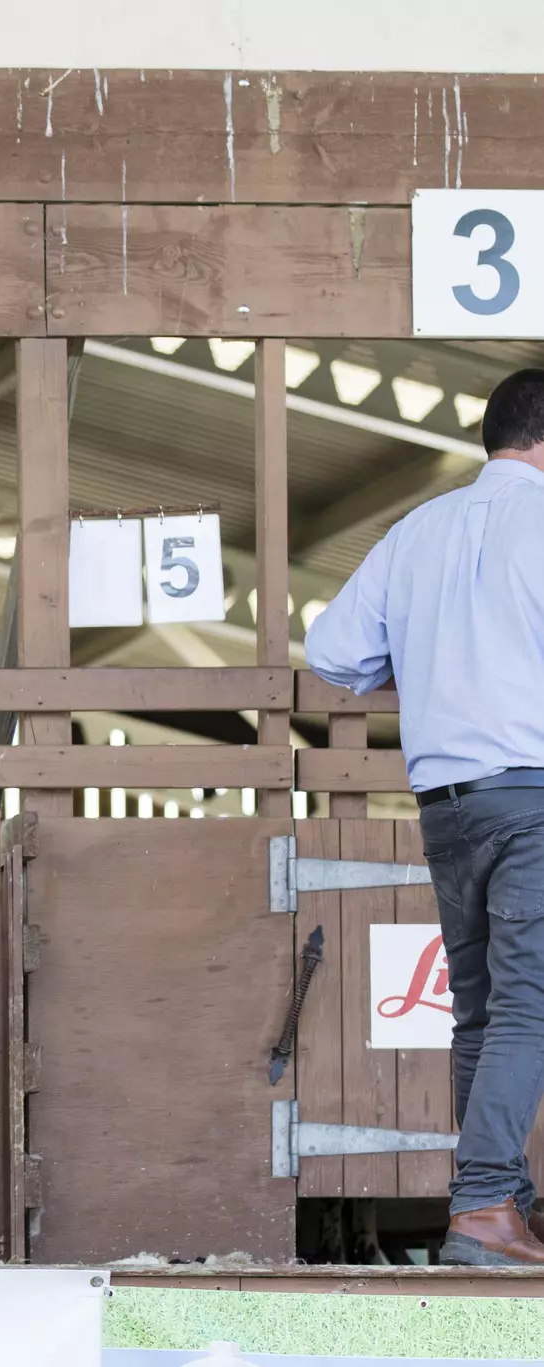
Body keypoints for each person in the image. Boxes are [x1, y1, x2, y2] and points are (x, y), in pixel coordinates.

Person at [307, 367, 544, 1266]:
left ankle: (501, 1205)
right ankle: (484, 1207)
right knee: (529, 1006)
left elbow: (334, 653)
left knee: (481, 1014)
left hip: (448, 804)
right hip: (533, 794)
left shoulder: (418, 529)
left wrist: (433, 654)